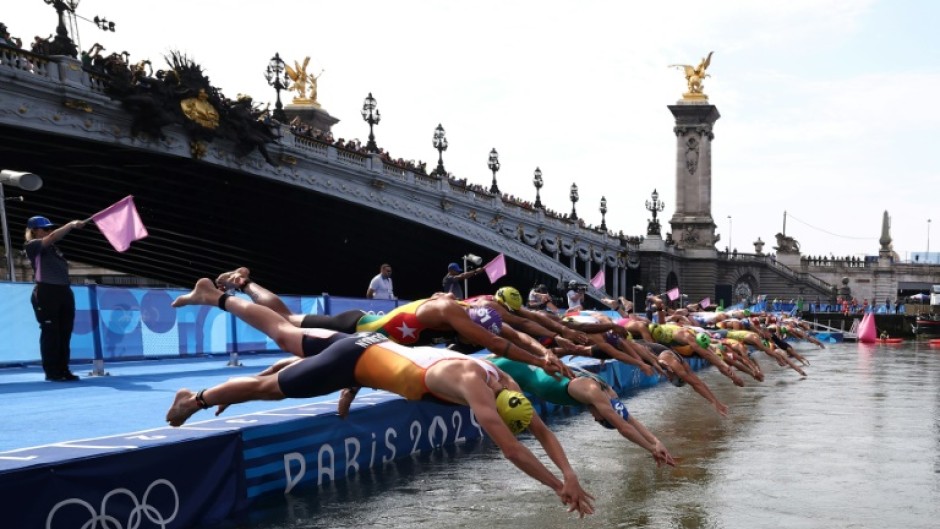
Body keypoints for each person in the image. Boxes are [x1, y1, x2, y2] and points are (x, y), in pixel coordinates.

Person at [165, 278, 595, 517]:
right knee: (267, 389)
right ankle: (194, 399)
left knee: (283, 332)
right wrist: (558, 484)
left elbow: (536, 428)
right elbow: (514, 448)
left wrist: (569, 474)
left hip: (368, 346)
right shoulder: (475, 387)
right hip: (352, 364)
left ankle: (216, 296)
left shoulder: (499, 379)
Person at [23, 216, 86, 381]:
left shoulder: (54, 250)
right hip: (46, 291)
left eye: (50, 228)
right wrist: (71, 224)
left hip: (63, 291)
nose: (49, 231)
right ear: (34, 231)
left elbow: (53, 239)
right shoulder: (32, 245)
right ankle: (52, 371)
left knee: (65, 333)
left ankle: (63, 369)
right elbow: (53, 237)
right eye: (45, 228)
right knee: (51, 332)